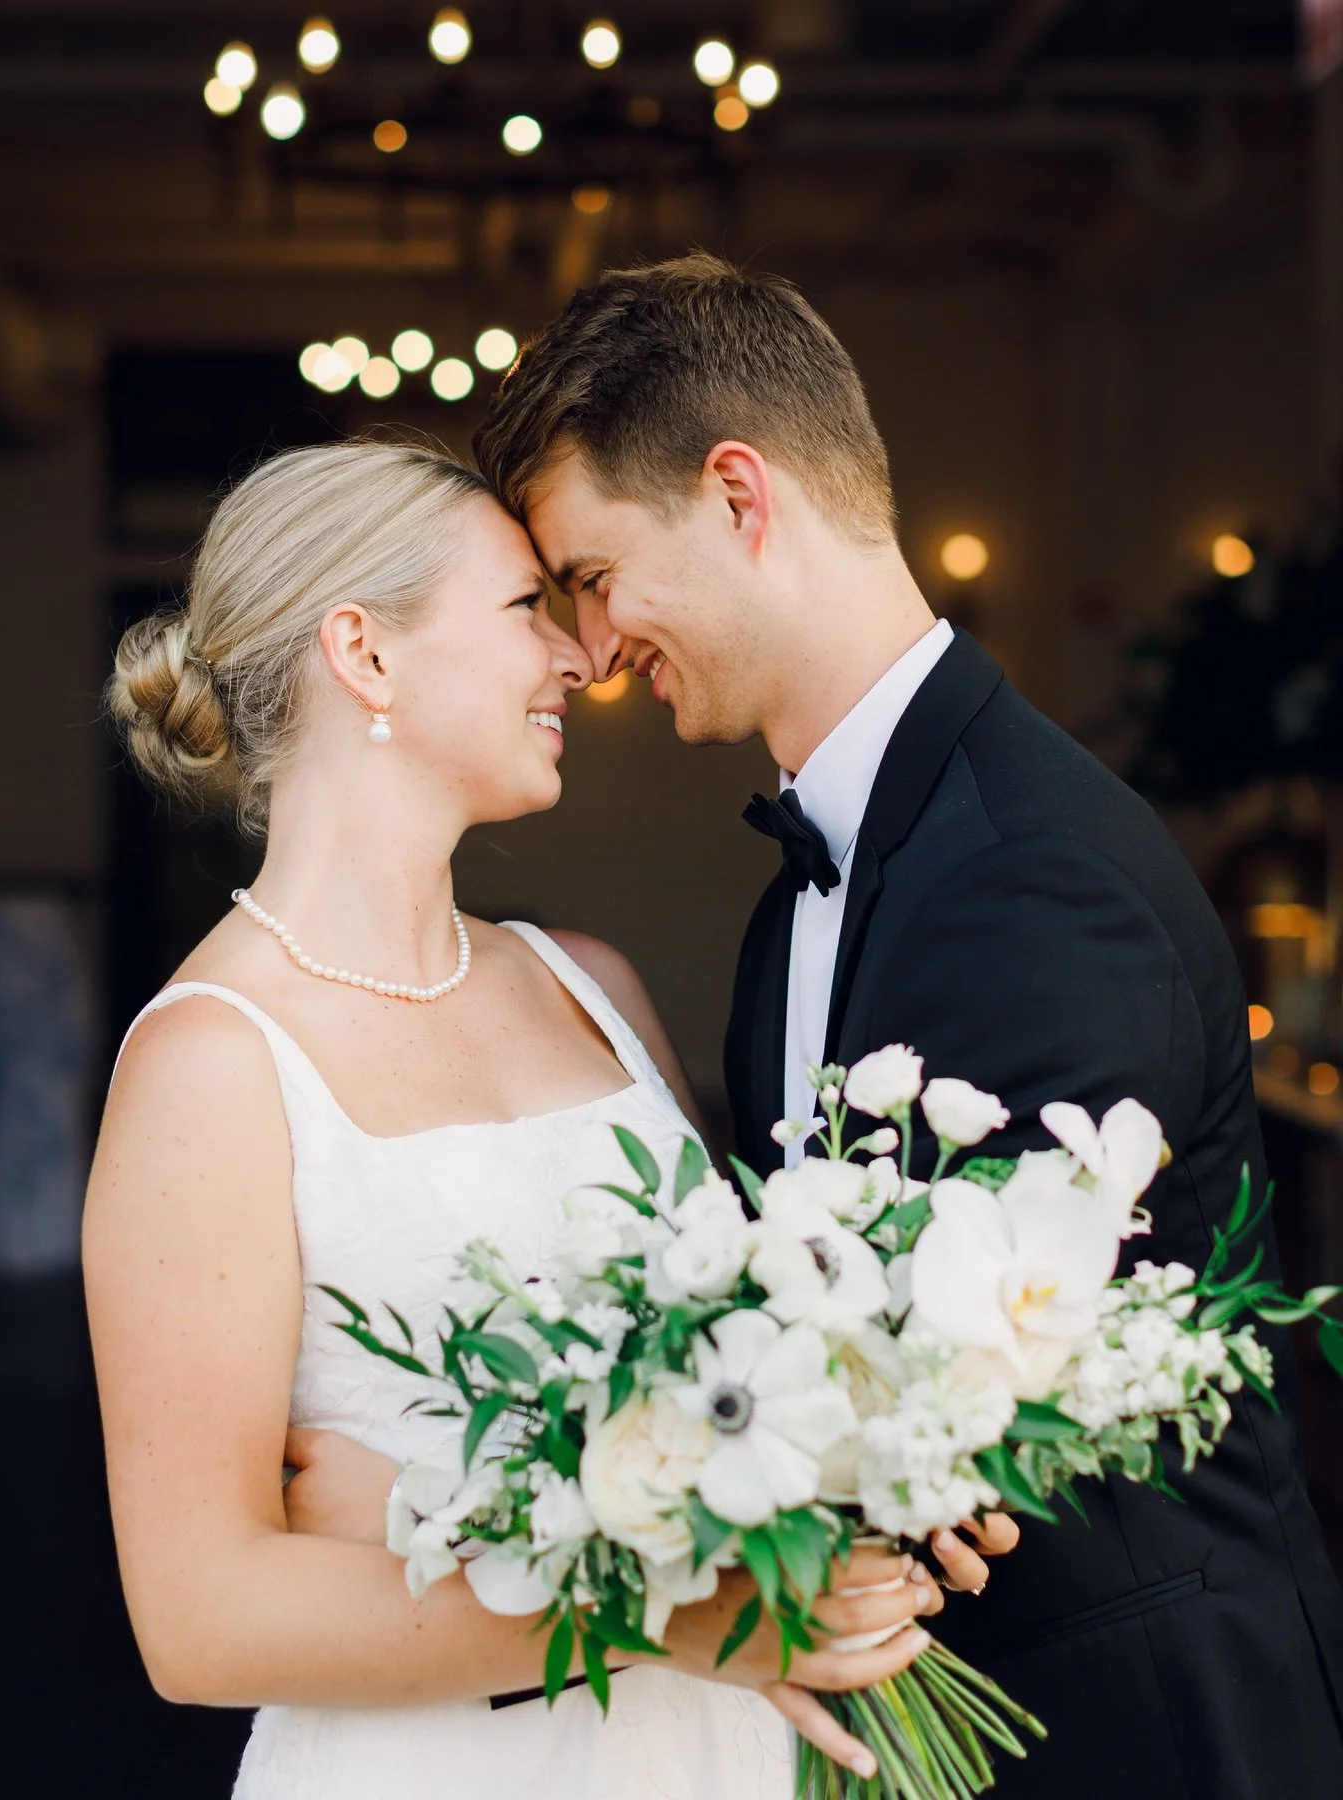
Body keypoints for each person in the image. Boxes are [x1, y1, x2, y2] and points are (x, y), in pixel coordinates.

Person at [470, 251, 1343, 1800]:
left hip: (1133, 1729)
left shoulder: (1030, 869)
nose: (595, 651)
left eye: (596, 576)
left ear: (741, 495)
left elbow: (982, 1403)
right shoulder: (812, 884)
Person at [85, 438, 985, 1800]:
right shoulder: (212, 1063)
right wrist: (664, 1619)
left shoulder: (589, 984)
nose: (579, 658)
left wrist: (879, 1466)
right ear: (364, 655)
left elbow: (740, 1378)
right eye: (524, 609)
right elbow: (199, 1621)